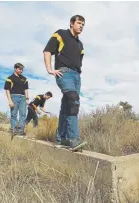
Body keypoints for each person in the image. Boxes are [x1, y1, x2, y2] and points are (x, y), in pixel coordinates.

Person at [43, 15, 87, 151]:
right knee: (73, 101)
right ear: (71, 23)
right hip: (64, 73)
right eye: (79, 23)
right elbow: (47, 51)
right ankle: (73, 138)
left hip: (76, 76)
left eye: (83, 24)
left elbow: (78, 60)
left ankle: (62, 139)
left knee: (67, 106)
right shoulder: (61, 34)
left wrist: (78, 74)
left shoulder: (80, 44)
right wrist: (50, 69)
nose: (81, 26)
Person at [4, 63, 29, 135]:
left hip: (23, 98)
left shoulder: (24, 79)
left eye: (22, 70)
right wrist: (9, 100)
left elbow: (26, 89)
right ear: (15, 68)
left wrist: (27, 98)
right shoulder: (9, 78)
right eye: (20, 69)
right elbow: (7, 90)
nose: (21, 71)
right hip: (14, 97)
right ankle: (14, 129)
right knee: (14, 114)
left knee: (23, 114)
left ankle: (21, 129)